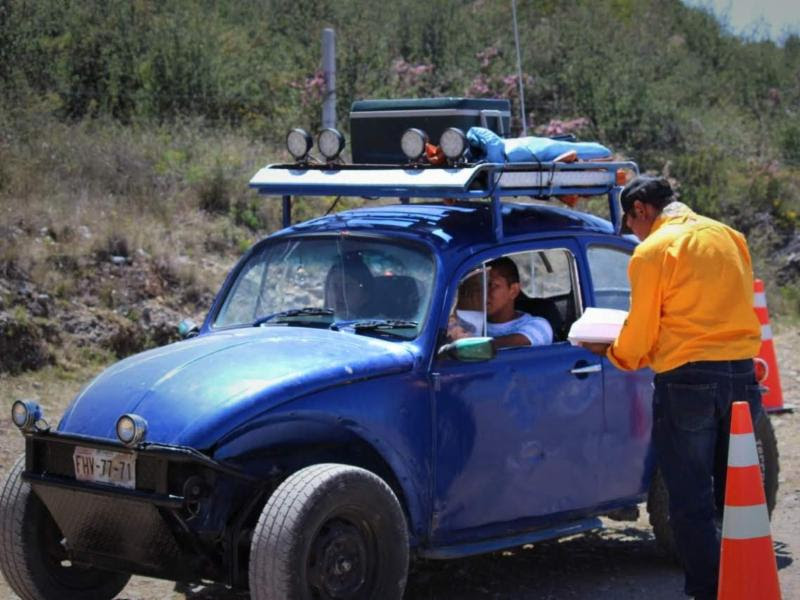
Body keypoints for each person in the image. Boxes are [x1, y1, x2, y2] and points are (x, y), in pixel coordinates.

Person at [583, 176, 763, 600]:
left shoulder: (653, 251)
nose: (633, 232)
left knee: (690, 500)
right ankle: (745, 585)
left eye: (631, 222)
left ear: (642, 209)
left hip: (688, 383)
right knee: (738, 495)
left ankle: (708, 591)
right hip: (741, 376)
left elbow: (641, 333)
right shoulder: (729, 236)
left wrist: (612, 351)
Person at [449, 257, 553, 349]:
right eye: (479, 286)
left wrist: (465, 343)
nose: (483, 292)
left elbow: (510, 344)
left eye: (491, 285)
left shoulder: (537, 325)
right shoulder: (470, 323)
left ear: (513, 291)